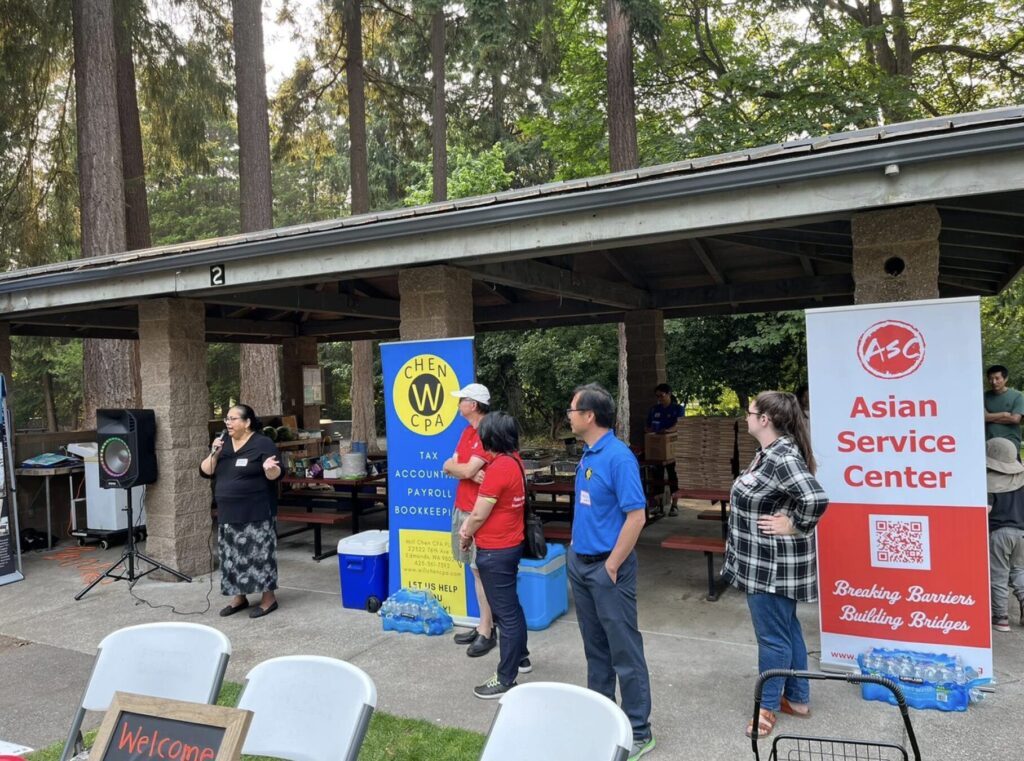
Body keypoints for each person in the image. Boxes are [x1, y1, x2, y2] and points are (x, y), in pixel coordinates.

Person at [722, 391, 829, 739]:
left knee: (772, 639)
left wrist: (793, 523)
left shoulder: (782, 457)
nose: (746, 416)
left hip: (771, 568)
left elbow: (815, 498)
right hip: (766, 563)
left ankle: (766, 708)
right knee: (787, 628)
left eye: (750, 412)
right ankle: (797, 698)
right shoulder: (768, 453)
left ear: (765, 420)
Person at [566, 383, 655, 761]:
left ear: (589, 416)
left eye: (572, 410)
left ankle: (638, 730)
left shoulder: (618, 458)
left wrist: (612, 565)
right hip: (581, 565)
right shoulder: (588, 454)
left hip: (608, 568)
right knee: (596, 650)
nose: (568, 416)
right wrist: (575, 551)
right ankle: (601, 718)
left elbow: (637, 517)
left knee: (624, 650)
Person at [458, 411, 531, 698]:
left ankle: (505, 678)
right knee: (512, 607)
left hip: (495, 550)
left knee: (505, 615)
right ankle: (521, 657)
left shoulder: (499, 468)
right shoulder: (515, 461)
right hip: (511, 545)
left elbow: (478, 514)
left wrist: (465, 534)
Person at [200, 404, 282, 618]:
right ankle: (239, 597)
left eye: (233, 418)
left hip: (256, 511)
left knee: (260, 556)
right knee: (232, 557)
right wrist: (214, 453)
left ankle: (268, 599)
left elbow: (276, 474)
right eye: (226, 419)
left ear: (247, 422)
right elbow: (205, 471)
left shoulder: (263, 443)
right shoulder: (224, 444)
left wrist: (271, 469)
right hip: (228, 512)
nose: (228, 422)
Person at [443, 382, 497, 656]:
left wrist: (463, 470)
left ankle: (487, 629)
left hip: (479, 513)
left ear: (473, 405)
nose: (458, 404)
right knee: (475, 571)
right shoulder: (466, 432)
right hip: (462, 507)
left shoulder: (488, 432)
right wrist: (463, 470)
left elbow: (462, 469)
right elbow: (450, 465)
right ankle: (482, 624)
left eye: (461, 399)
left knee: (481, 571)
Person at [985, 437, 1024, 632]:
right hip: (1021, 533)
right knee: (1018, 571)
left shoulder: (990, 483)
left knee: (999, 575)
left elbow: (987, 510)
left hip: (999, 534)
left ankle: (1000, 618)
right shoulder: (1021, 480)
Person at [645, 383, 684, 516]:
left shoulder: (677, 409)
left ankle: (674, 505)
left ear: (669, 394)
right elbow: (647, 426)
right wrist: (652, 431)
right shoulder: (654, 409)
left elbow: (679, 425)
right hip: (657, 449)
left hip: (672, 449)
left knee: (673, 476)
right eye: (657, 396)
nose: (659, 399)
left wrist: (666, 432)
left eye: (661, 395)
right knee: (657, 477)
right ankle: (659, 505)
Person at [984, 365, 1024, 451]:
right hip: (988, 443)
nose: (994, 382)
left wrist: (989, 417)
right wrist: (1004, 414)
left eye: (997, 378)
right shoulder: (984, 396)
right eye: (990, 379)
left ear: (1006, 379)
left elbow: (1015, 419)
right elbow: (982, 417)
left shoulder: (1017, 396)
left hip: (1010, 443)